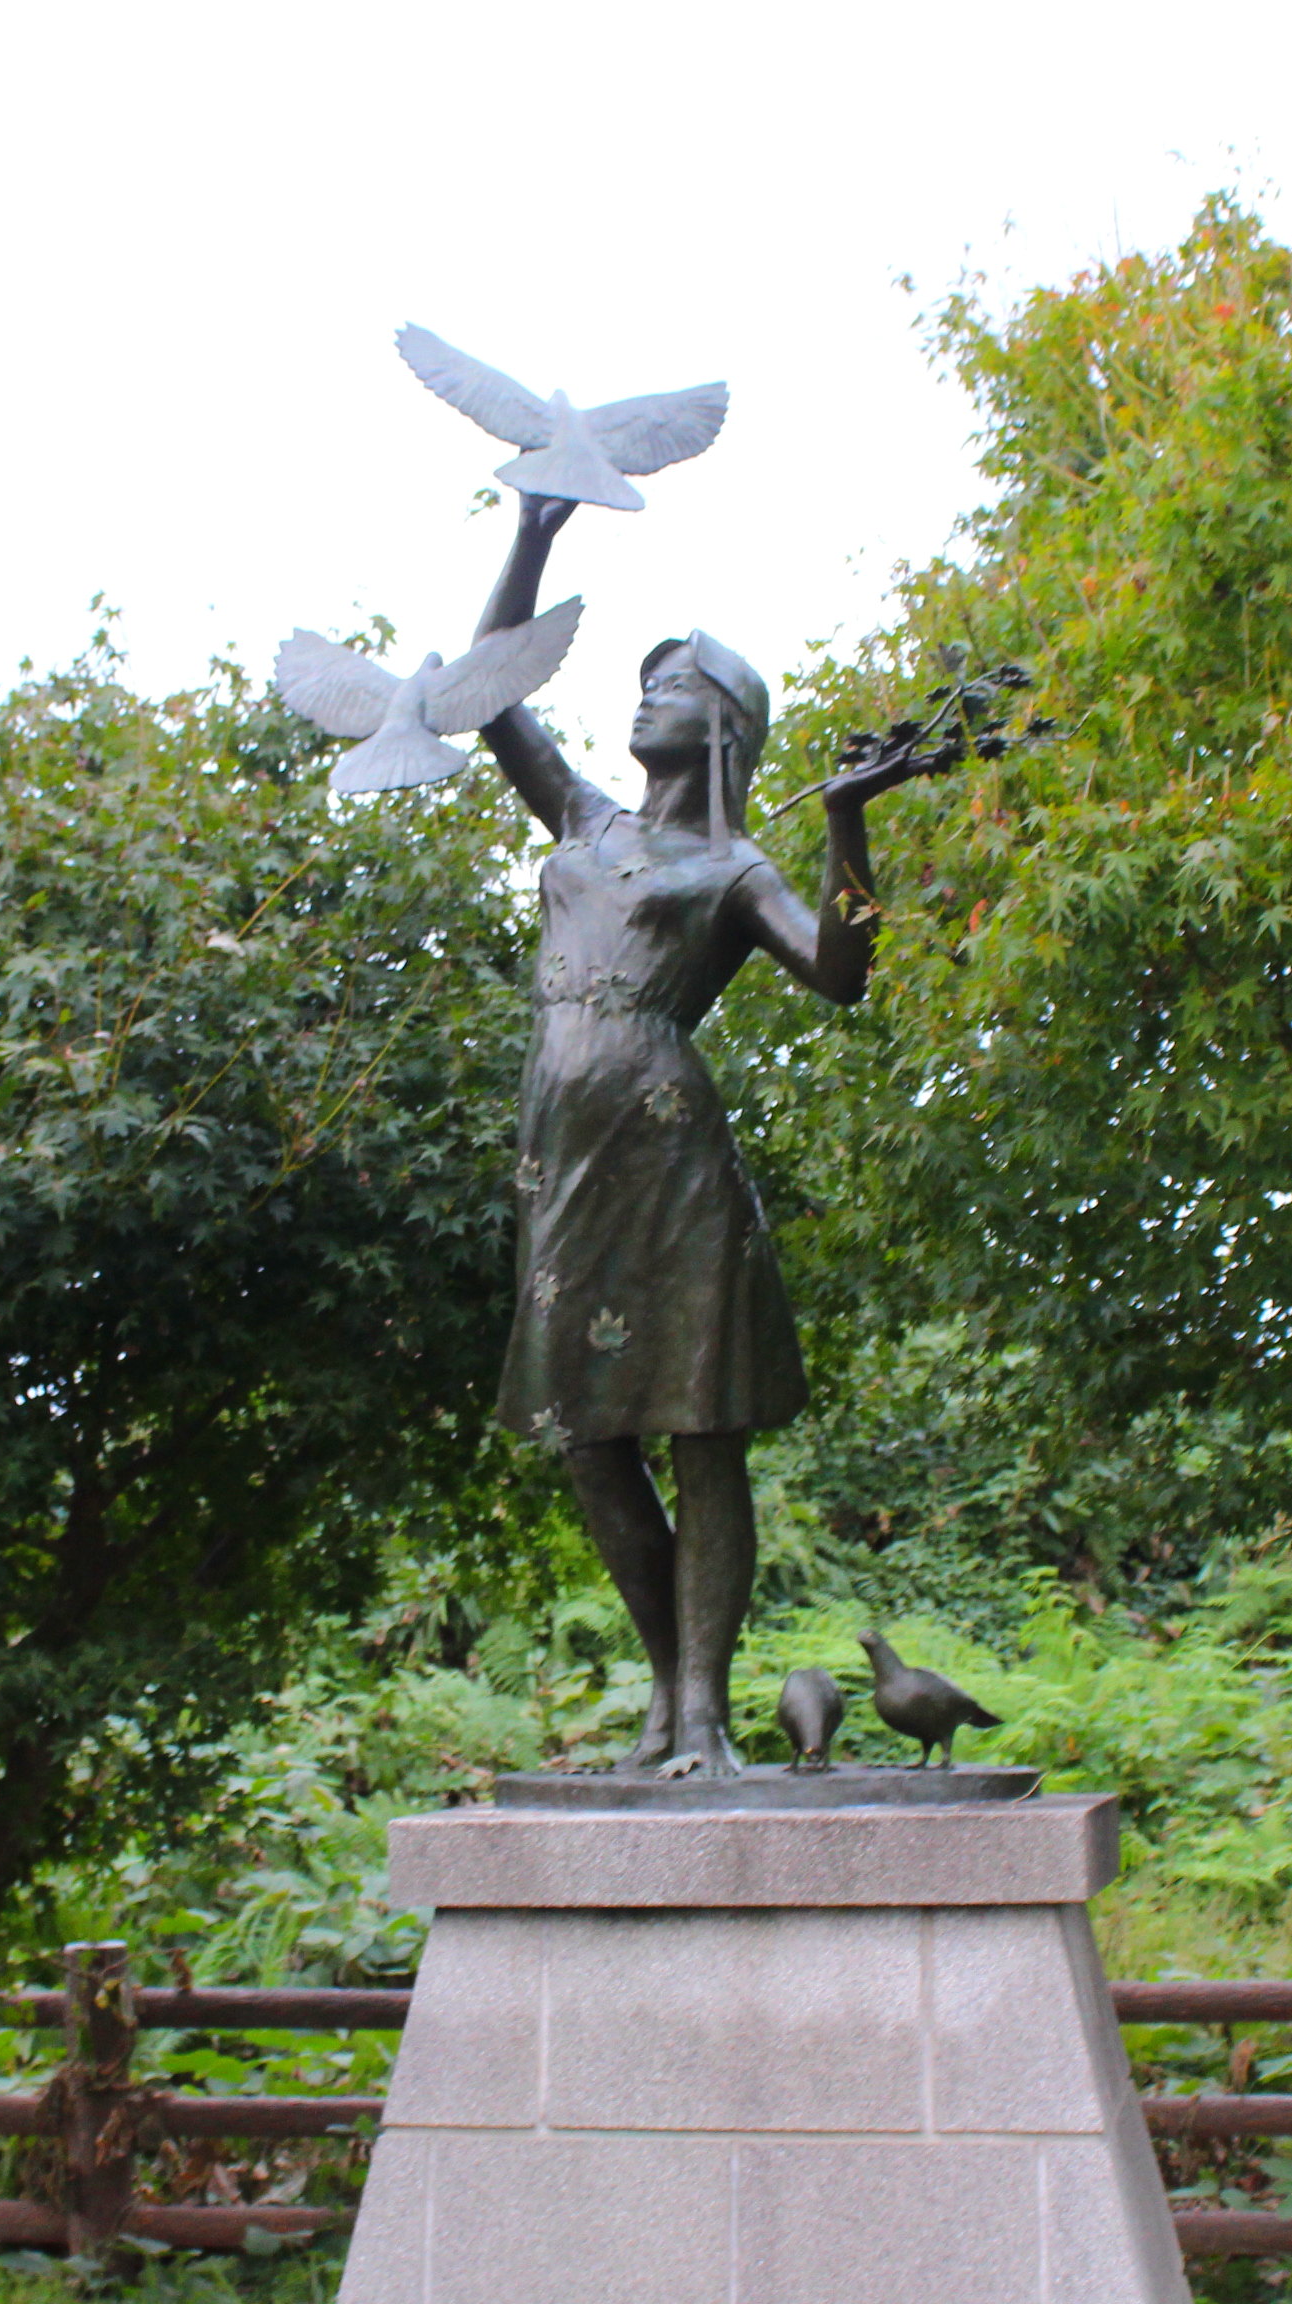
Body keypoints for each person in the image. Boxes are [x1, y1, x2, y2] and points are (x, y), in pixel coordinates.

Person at [468, 491, 931, 1776]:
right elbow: (489, 693)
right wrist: (534, 531)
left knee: (699, 1429)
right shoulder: (586, 819)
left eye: (672, 685)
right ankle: (671, 1699)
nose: (645, 699)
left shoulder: (734, 869)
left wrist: (847, 824)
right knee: (585, 1437)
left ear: (723, 726)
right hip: (562, 1157)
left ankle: (701, 1715)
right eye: (645, 682)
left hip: (672, 1162)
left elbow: (841, 972)